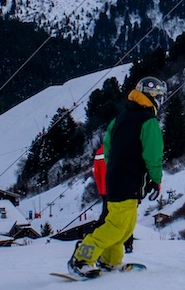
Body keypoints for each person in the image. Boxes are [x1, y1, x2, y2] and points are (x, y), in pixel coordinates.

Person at [70, 76, 165, 276]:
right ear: (153, 98)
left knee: (124, 225)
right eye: (159, 97)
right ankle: (82, 257)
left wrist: (114, 169)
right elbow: (153, 155)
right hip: (129, 180)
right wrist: (155, 180)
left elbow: (108, 147)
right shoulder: (149, 121)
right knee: (116, 225)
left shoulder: (120, 118)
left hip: (116, 178)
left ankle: (111, 261)